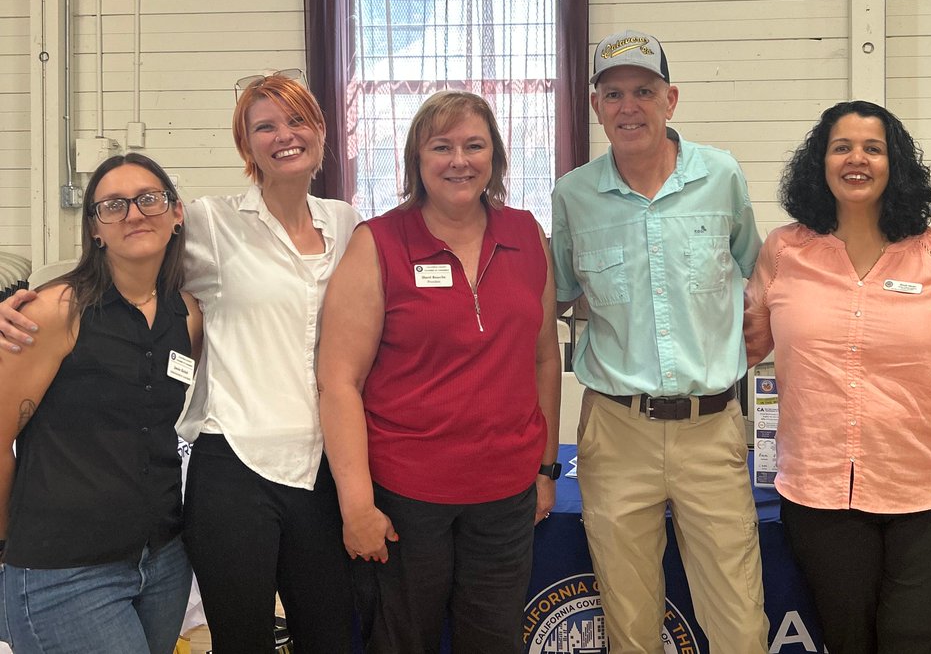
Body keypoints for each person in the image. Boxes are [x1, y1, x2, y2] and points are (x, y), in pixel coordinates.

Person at [0, 71, 360, 653]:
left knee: (331, 634)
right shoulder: (212, 225)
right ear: (247, 145)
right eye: (264, 126)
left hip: (320, 464)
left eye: (297, 120)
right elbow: (125, 258)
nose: (284, 135)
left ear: (321, 130)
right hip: (234, 461)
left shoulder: (347, 224)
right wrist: (12, 307)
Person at [742, 101, 931, 654]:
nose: (856, 159)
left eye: (872, 148)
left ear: (895, 163)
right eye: (842, 147)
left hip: (928, 502)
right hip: (819, 500)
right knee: (847, 643)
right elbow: (738, 346)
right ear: (821, 161)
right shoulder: (784, 251)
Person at [317, 90, 561, 654]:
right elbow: (339, 382)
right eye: (441, 147)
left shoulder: (527, 235)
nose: (459, 160)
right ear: (416, 161)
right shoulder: (377, 243)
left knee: (494, 642)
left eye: (475, 146)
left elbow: (544, 356)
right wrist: (356, 504)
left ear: (495, 159)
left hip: (505, 495)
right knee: (403, 641)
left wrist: (545, 467)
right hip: (407, 498)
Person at [550, 30, 769, 654]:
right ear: (596, 106)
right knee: (630, 623)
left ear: (670, 99)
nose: (628, 107)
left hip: (712, 427)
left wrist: (759, 330)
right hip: (616, 432)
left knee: (738, 620)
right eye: (612, 93)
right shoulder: (574, 194)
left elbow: (760, 273)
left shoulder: (720, 174)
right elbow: (555, 297)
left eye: (643, 91)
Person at [0, 153, 202, 654]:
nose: (134, 214)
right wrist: (10, 547)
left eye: (149, 199)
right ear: (95, 229)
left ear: (176, 213)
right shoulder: (55, 310)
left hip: (162, 562)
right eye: (113, 205)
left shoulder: (188, 314)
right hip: (65, 569)